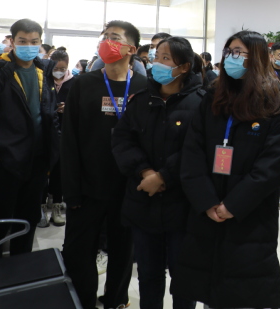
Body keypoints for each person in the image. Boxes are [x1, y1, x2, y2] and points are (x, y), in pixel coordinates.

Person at [175, 30, 280, 309]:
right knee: (210, 288)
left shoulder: (273, 105)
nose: (231, 58)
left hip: (250, 216)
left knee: (245, 291)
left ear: (257, 58)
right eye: (228, 52)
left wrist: (233, 205)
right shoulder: (212, 97)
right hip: (207, 209)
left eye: (239, 52)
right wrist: (207, 201)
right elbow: (192, 152)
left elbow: (270, 167)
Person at [61, 20, 148, 309]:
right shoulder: (83, 84)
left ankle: (116, 299)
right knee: (79, 251)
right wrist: (71, 188)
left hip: (129, 186)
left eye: (115, 38)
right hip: (88, 186)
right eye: (105, 37)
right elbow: (69, 140)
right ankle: (83, 301)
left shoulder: (145, 87)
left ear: (131, 49)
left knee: (123, 250)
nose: (107, 42)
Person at [113, 37, 204, 309]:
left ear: (184, 67)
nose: (157, 63)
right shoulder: (141, 99)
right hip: (144, 202)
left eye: (166, 58)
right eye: (156, 57)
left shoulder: (202, 103)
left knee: (183, 277)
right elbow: (122, 140)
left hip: (183, 205)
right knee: (148, 275)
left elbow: (197, 150)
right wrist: (144, 172)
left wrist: (163, 176)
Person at [0, 18, 59, 259]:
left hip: (37, 162)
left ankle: (21, 267)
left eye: (34, 41)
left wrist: (52, 153)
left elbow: (48, 115)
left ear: (40, 43)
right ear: (12, 42)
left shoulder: (44, 74)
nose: (28, 46)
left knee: (27, 221)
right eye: (22, 41)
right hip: (5, 164)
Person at [39, 49, 74, 228]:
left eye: (63, 68)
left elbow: (80, 107)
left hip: (65, 133)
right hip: (45, 132)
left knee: (59, 171)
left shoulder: (75, 83)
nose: (59, 72)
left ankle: (57, 206)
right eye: (56, 68)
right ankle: (41, 206)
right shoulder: (43, 81)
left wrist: (69, 108)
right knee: (43, 170)